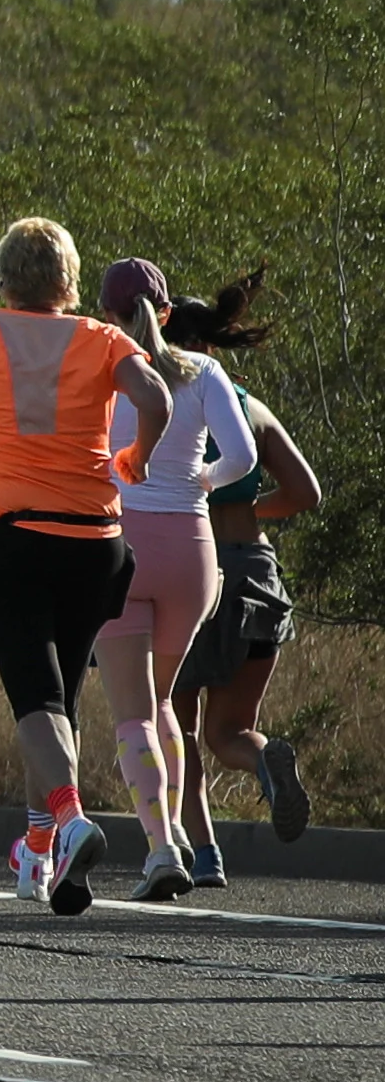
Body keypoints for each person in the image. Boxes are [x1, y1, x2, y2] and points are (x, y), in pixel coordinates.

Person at [0, 215, 177, 912]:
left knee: (34, 695)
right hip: (94, 543)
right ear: (68, 280)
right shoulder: (102, 338)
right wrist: (138, 459)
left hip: (8, 539)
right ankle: (38, 852)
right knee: (56, 702)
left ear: (2, 277)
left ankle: (68, 819)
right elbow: (155, 398)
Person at [89, 255, 266, 898]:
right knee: (164, 700)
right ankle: (184, 836)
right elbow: (243, 456)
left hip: (122, 544)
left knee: (134, 712)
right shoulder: (205, 371)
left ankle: (163, 848)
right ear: (166, 313)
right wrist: (204, 479)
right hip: (192, 551)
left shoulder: (102, 368)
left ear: (105, 316)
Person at [169, 276, 325, 869]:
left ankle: (203, 854)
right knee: (230, 731)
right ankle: (264, 761)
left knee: (179, 729)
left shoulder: (163, 405)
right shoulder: (246, 404)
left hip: (195, 570)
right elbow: (305, 491)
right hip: (259, 574)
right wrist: (247, 509)